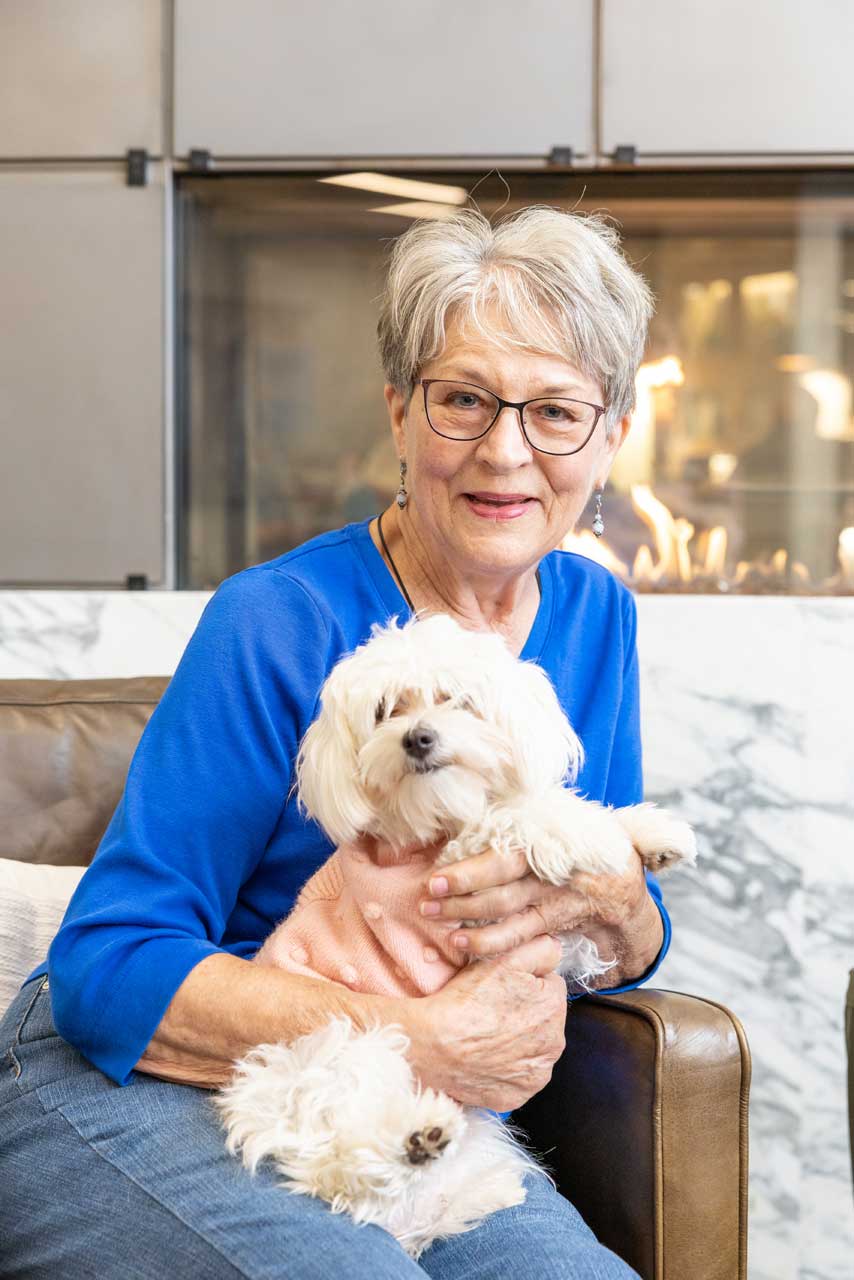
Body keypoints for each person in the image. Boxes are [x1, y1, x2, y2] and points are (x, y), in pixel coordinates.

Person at [0, 206, 669, 1279]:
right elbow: (107, 965)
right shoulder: (276, 618)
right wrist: (419, 1038)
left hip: (394, 1115)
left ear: (611, 436)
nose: (505, 450)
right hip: (139, 1080)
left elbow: (598, 891)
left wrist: (630, 909)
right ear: (400, 413)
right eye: (462, 399)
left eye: (553, 410)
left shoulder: (597, 615)